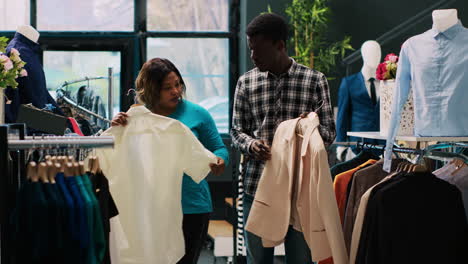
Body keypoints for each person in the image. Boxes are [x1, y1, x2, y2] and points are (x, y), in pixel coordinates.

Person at [231, 13, 336, 263]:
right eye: (250, 49)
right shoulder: (246, 83)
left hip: (301, 189)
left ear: (280, 45)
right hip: (257, 186)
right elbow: (236, 131)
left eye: (259, 50)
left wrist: (304, 131)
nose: (253, 56)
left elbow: (329, 134)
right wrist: (252, 145)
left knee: (301, 260)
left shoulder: (314, 80)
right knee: (258, 260)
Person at [111, 58, 229, 264]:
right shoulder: (136, 118)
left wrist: (220, 159)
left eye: (178, 85)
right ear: (151, 90)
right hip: (151, 206)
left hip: (192, 206)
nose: (176, 91)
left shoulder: (197, 114)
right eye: (167, 88)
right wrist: (118, 130)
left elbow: (219, 147)